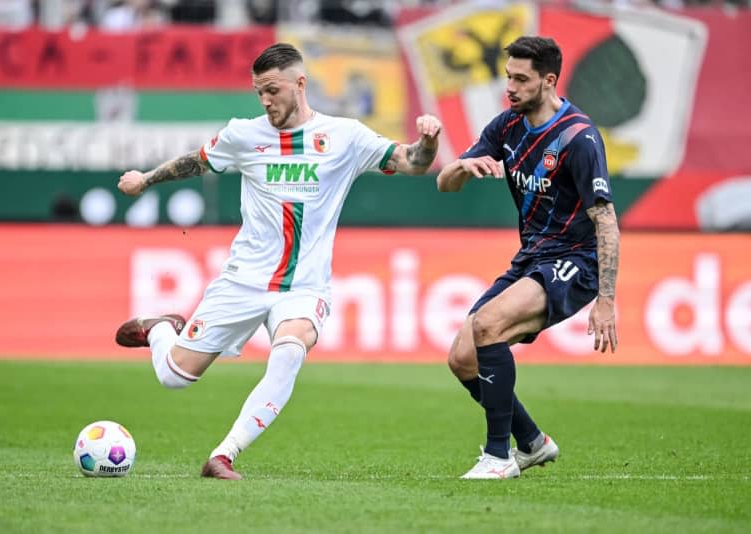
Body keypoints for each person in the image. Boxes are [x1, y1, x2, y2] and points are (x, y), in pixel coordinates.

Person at [114, 43, 442, 480]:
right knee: (175, 376)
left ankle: (223, 455)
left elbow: (412, 163)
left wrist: (428, 142)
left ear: (300, 84)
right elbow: (199, 161)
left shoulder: (345, 136)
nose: (265, 100)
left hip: (304, 286)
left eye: (272, 90)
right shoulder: (243, 135)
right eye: (258, 92)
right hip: (244, 280)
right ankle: (159, 329)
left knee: (289, 350)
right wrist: (146, 179)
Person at [436, 36, 619, 480]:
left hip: (575, 260)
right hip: (532, 257)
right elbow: (445, 184)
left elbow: (607, 220)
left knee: (487, 326)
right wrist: (462, 166)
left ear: (549, 80)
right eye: (508, 78)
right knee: (462, 357)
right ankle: (534, 444)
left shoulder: (579, 138)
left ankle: (499, 457)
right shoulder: (507, 126)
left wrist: (607, 299)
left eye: (521, 79)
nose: (511, 88)